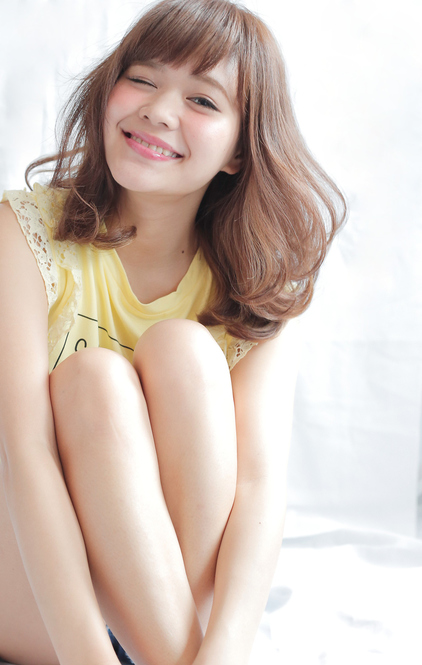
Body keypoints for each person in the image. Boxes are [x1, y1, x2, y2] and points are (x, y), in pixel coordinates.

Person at [0, 1, 346, 664]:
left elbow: (258, 488)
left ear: (241, 150)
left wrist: (226, 651)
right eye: (142, 79)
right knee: (94, 379)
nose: (159, 111)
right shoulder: (25, 233)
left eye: (202, 100)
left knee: (184, 349)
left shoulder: (256, 284)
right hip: (40, 596)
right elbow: (25, 457)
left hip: (172, 602)